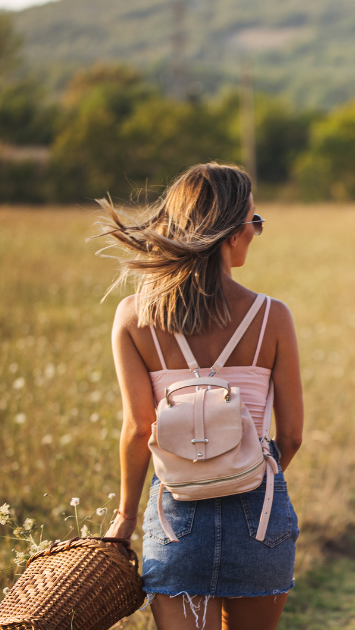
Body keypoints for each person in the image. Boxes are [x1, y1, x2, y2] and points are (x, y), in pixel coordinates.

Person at [100, 163, 304, 630]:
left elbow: (139, 430)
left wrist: (125, 517)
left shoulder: (133, 317)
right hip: (259, 519)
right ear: (233, 234)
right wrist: (245, 474)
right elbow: (290, 435)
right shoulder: (272, 317)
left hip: (175, 521)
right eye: (256, 221)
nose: (257, 231)